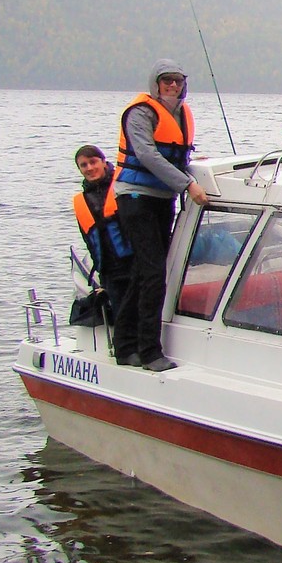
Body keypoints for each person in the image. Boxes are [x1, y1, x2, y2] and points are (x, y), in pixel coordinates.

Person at [108, 60, 210, 371]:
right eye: (167, 80)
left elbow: (175, 154)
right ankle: (150, 351)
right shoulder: (141, 113)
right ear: (155, 83)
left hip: (162, 198)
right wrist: (188, 184)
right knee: (154, 274)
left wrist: (194, 170)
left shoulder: (180, 113)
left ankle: (124, 346)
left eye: (178, 81)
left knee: (143, 272)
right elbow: (147, 155)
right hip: (136, 198)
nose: (173, 86)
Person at [71, 144, 132, 320]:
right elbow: (89, 242)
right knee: (122, 319)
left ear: (104, 162)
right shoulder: (81, 201)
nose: (89, 168)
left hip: (134, 265)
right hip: (110, 273)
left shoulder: (123, 186)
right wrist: (102, 279)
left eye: (93, 162)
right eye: (84, 165)